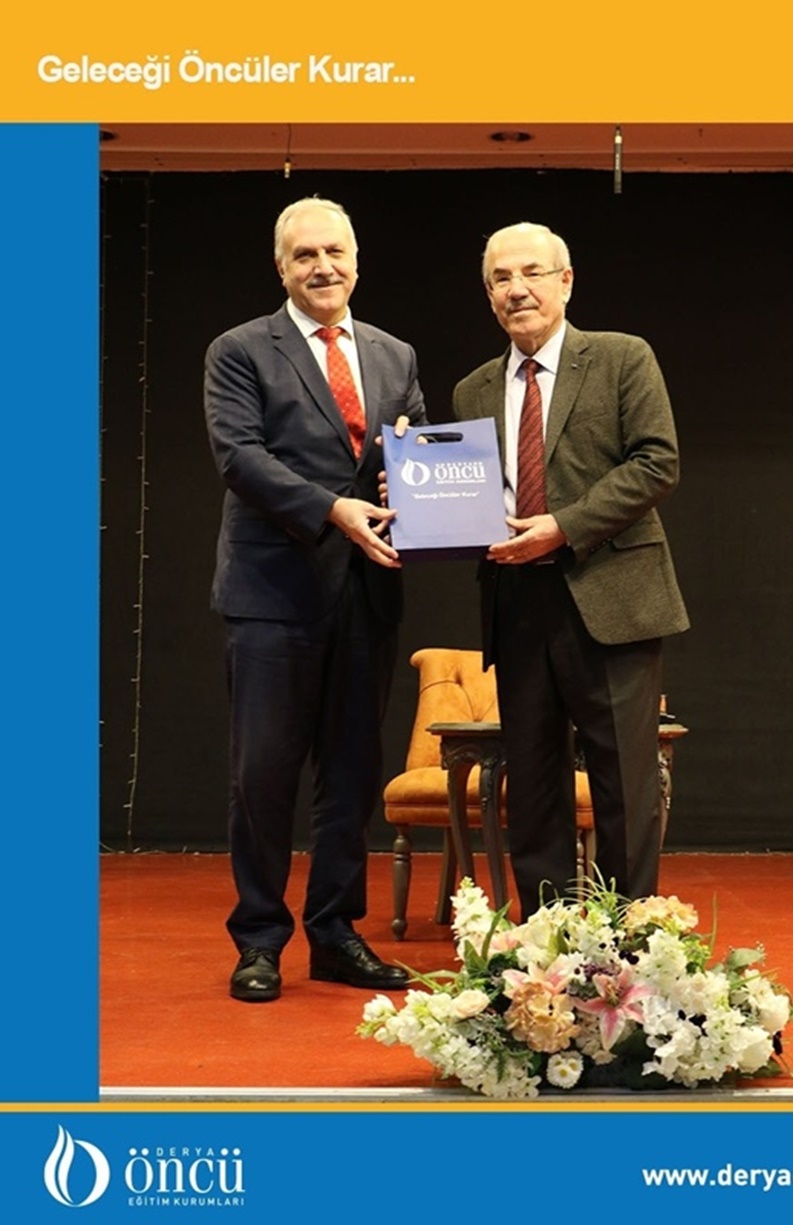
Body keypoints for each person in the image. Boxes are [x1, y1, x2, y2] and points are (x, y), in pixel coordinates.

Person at [204, 197, 426, 1001]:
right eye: (305, 255)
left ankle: (334, 933)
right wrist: (332, 508)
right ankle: (260, 939)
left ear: (356, 261)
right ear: (282, 267)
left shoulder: (395, 354)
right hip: (273, 593)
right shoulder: (239, 350)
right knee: (262, 777)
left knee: (351, 774)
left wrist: (426, 493)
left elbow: (414, 452)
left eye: (335, 252)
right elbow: (239, 457)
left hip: (366, 593)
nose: (323, 267)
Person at [452, 221, 689, 921]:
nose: (516, 289)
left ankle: (626, 942)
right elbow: (464, 492)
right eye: (501, 278)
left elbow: (657, 462)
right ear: (488, 294)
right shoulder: (472, 389)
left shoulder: (621, 358)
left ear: (566, 281)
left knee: (623, 786)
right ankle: (547, 945)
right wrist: (411, 492)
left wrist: (565, 525)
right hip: (516, 603)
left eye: (531, 272)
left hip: (611, 598)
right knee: (532, 786)